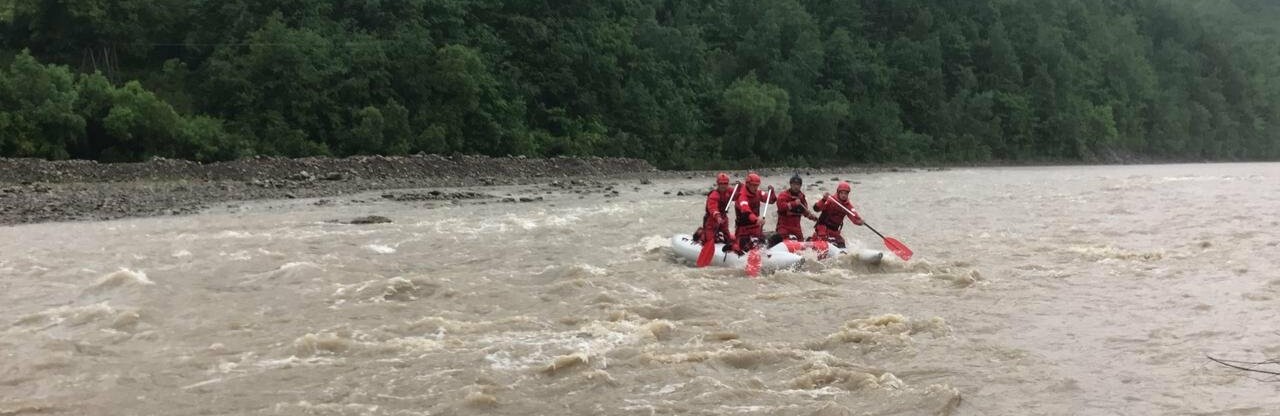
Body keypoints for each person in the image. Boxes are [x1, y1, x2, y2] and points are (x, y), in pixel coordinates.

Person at [810, 181, 863, 248]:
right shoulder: (830, 200)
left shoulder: (848, 206)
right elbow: (816, 209)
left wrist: (860, 222)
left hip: (834, 231)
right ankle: (813, 242)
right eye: (842, 193)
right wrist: (823, 199)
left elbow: (855, 218)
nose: (844, 195)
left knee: (841, 243)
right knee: (827, 241)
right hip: (823, 228)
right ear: (838, 193)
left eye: (846, 193)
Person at [693, 172, 736, 252]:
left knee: (727, 237)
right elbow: (713, 208)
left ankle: (723, 239)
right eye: (721, 183)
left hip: (723, 218)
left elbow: (741, 194)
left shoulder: (730, 191)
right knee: (709, 239)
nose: (723, 185)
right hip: (711, 219)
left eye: (725, 183)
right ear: (718, 184)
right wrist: (717, 216)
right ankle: (701, 233)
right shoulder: (714, 195)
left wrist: (741, 186)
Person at [771, 174, 818, 246]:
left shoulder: (802, 197)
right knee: (782, 239)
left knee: (802, 245)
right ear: (790, 184)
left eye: (798, 185)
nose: (796, 186)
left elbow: (805, 212)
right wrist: (793, 203)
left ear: (800, 186)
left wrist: (813, 217)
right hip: (784, 227)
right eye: (794, 184)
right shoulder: (783, 195)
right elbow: (781, 207)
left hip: (796, 228)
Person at [734, 172, 773, 253]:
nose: (756, 187)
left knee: (768, 241)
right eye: (754, 185)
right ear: (748, 184)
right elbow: (746, 211)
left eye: (757, 185)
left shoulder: (758, 193)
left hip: (756, 229)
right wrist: (757, 220)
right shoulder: (742, 196)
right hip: (743, 231)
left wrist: (771, 192)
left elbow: (771, 200)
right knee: (747, 245)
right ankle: (734, 247)